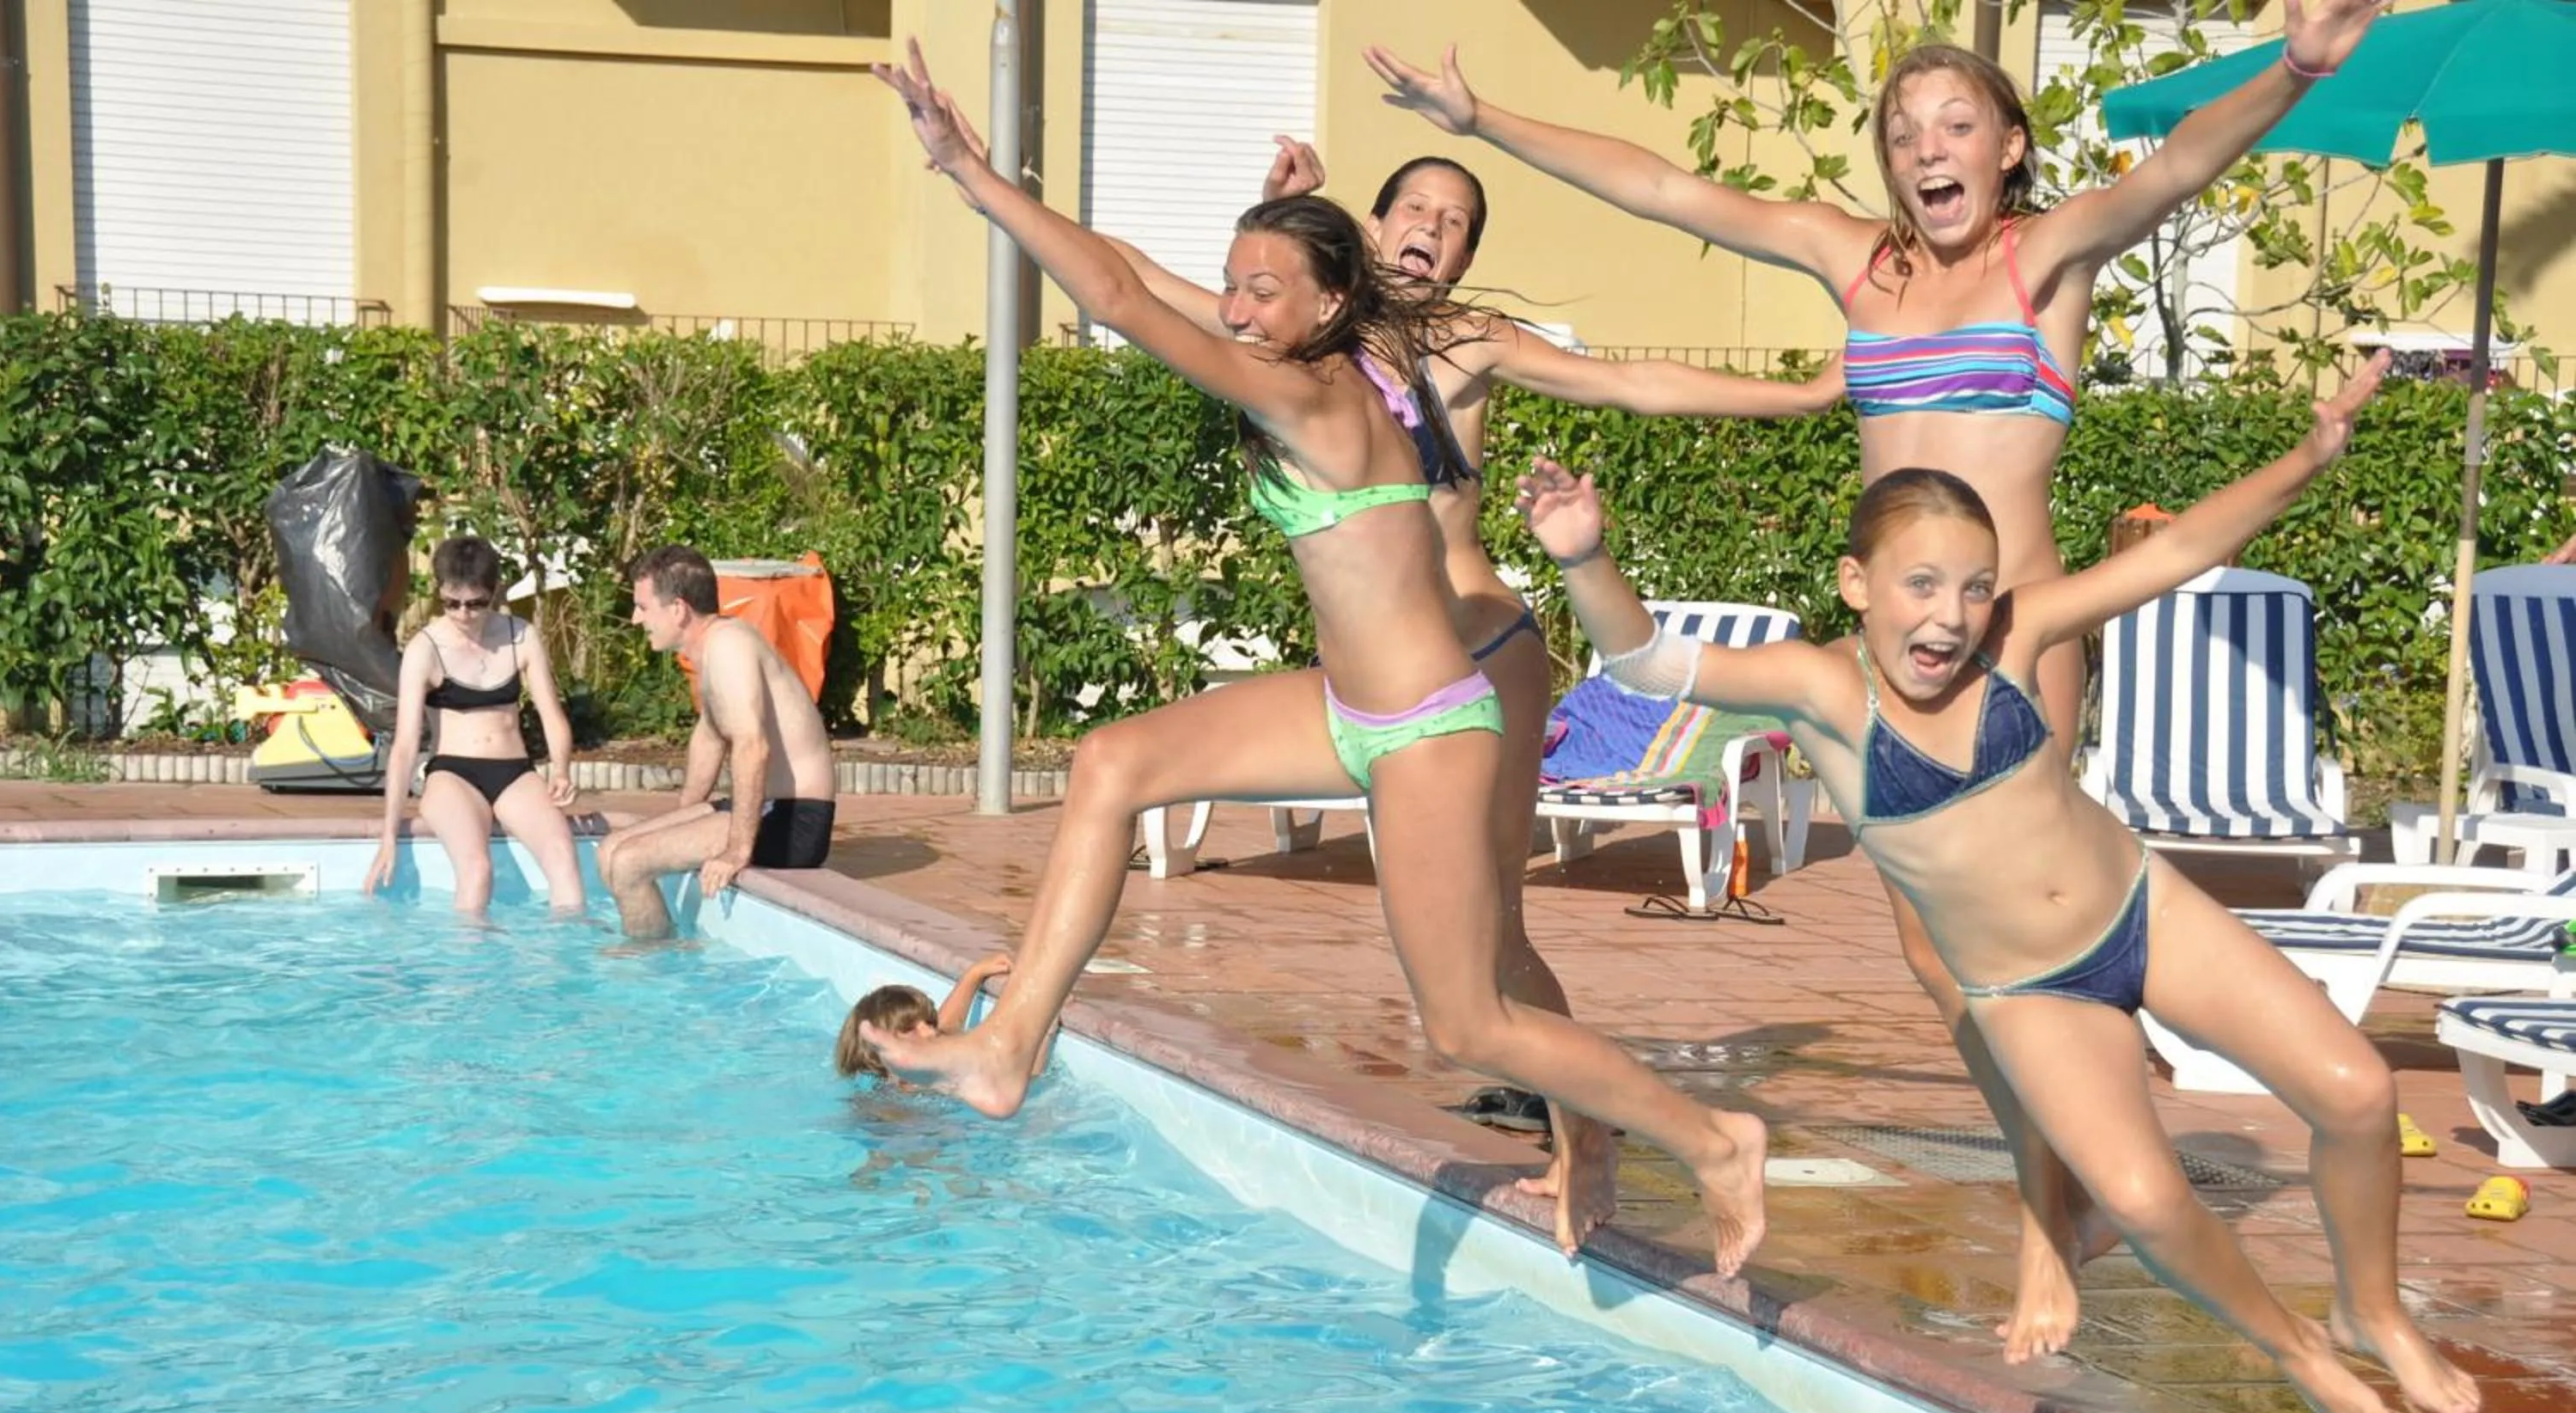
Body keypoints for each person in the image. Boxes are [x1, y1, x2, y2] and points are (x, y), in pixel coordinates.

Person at [1368, 1, 2392, 1357]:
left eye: (1957, 124)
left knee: (2018, 938)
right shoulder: (1855, 262)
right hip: (1888, 658)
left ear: (2011, 148)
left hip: (2015, 638)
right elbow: (1671, 186)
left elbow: (2175, 169)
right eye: (1904, 133)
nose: (1928, 148)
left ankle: (2056, 1222)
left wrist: (2296, 69)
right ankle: (2070, 1191)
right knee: (1934, 954)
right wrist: (1482, 119)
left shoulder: (2051, 254)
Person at [863, 40, 1769, 1277]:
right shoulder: (1331, 360)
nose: (1234, 308)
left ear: (1328, 306)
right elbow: (1135, 275)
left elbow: (1123, 301)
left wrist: (971, 168)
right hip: (1347, 705)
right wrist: (1261, 221)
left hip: (1431, 729)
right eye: (1234, 287)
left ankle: (1709, 1136)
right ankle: (1011, 1043)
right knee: (1113, 762)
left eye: (1263, 290)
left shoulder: (1320, 396)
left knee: (1469, 1016)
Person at [1514, 352, 2483, 1413]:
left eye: (1974, 587)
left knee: (2358, 1090)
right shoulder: (1823, 687)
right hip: (2031, 991)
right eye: (1921, 586)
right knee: (2149, 1202)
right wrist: (1587, 557)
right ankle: (2300, 1351)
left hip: (2144, 913)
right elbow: (1645, 664)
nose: (1952, 616)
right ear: (1855, 585)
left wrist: (2308, 458)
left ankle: (2374, 1306)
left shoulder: (2015, 637)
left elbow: (2178, 551)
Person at [1085, 135, 1842, 1222]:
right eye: (1417, 211)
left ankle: (1588, 1131)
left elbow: (1631, 383)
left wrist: (1802, 397)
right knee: (1477, 952)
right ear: (1372, 229)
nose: (1432, 232)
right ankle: (1586, 1123)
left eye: (1456, 225)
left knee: (1496, 930)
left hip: (1483, 648)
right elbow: (1164, 292)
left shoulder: (1469, 341)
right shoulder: (1311, 349)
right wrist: (1263, 215)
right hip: (1385, 678)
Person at [594, 544, 840, 939]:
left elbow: (751, 746)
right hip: (767, 809)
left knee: (629, 864)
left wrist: (737, 850)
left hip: (793, 820)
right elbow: (709, 738)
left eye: (642, 606)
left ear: (677, 608)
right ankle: (655, 940)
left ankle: (649, 970)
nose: (635, 618)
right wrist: (685, 815)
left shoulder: (729, 646)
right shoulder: (714, 647)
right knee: (611, 851)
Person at [363, 535, 586, 915]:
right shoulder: (425, 648)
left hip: (515, 772)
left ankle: (565, 966)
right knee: (477, 869)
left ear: (495, 592)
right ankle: (468, 971)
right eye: (452, 603)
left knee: (562, 854)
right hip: (453, 773)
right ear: (440, 593)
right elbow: (404, 745)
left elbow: (551, 715)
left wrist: (561, 769)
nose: (464, 614)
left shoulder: (520, 636)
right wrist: (388, 835)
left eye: (475, 604)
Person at [837, 953, 1049, 1092]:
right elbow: (1024, 1085)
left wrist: (973, 977)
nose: (930, 1032)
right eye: (911, 1029)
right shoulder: (914, 1085)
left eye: (929, 1022)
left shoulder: (905, 1067)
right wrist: (1044, 1021)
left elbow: (948, 1026)